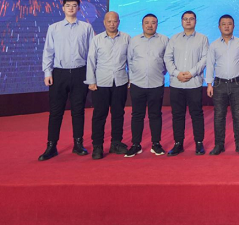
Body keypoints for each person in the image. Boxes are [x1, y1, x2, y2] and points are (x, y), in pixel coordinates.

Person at [38, 0, 95, 161]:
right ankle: (51, 146)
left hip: (80, 73)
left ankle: (78, 144)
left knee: (78, 110)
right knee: (56, 111)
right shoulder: (54, 28)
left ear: (79, 8)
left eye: (74, 5)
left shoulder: (86, 27)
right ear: (63, 8)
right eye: (68, 5)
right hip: (59, 73)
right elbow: (48, 51)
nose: (71, 8)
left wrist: (91, 75)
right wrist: (47, 73)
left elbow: (92, 53)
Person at [86, 11, 130, 159]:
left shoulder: (126, 38)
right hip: (101, 83)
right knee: (99, 115)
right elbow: (91, 61)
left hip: (120, 81)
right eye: (109, 21)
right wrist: (91, 81)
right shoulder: (97, 39)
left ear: (119, 22)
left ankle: (116, 143)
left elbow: (131, 60)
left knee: (118, 114)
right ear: (104, 22)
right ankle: (97, 146)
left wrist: (130, 78)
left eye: (115, 21)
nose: (112, 24)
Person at [164, 10, 208, 157]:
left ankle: (199, 143)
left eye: (191, 19)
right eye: (185, 19)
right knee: (177, 115)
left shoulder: (202, 39)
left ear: (196, 21)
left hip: (194, 83)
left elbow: (205, 59)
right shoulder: (174, 39)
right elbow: (167, 58)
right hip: (176, 83)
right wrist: (177, 73)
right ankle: (178, 143)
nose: (188, 21)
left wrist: (191, 73)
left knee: (197, 114)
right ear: (181, 21)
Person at [125, 14, 168, 157]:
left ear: (157, 24)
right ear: (142, 24)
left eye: (153, 22)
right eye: (147, 23)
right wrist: (132, 77)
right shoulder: (134, 40)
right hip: (138, 83)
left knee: (155, 115)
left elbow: (167, 61)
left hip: (156, 83)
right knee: (137, 115)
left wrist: (160, 72)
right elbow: (130, 60)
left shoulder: (164, 40)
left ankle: (156, 144)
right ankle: (136, 145)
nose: (150, 25)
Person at [205, 15, 239, 155]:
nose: (226, 26)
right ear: (219, 27)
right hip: (219, 84)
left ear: (233, 26)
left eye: (229, 24)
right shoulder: (214, 45)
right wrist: (209, 84)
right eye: (223, 24)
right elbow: (210, 64)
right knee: (219, 116)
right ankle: (219, 145)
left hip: (237, 83)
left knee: (238, 115)